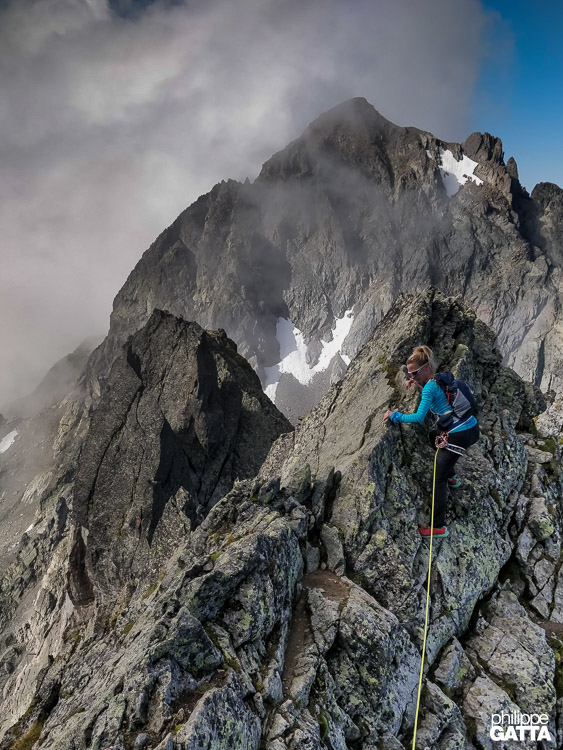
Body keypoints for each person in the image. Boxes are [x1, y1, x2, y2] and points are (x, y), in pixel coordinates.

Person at [383, 345, 479, 538]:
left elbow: (418, 417)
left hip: (459, 434)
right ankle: (452, 476)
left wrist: (395, 416)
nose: (413, 376)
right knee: (432, 435)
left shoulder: (429, 388)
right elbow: (434, 394)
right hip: (471, 427)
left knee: (438, 479)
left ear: (426, 367)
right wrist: (417, 383)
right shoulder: (437, 380)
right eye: (410, 373)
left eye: (415, 372)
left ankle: (439, 527)